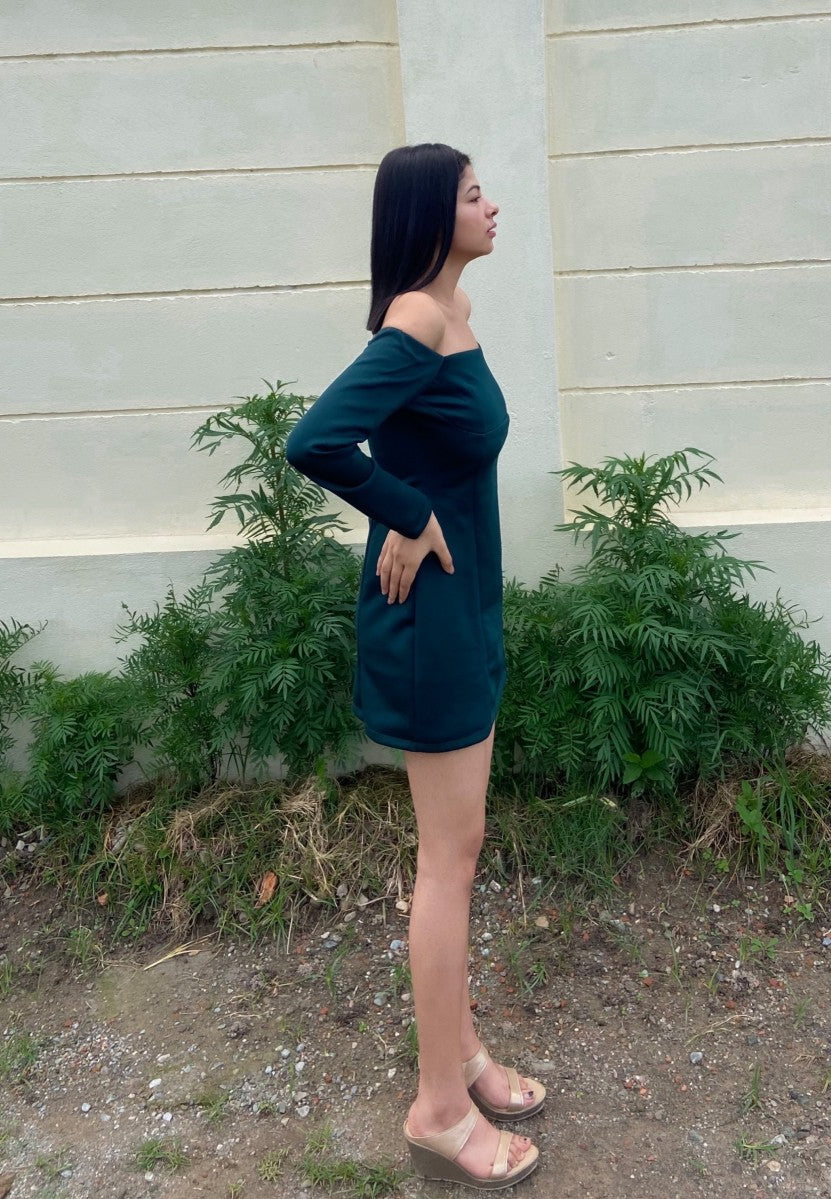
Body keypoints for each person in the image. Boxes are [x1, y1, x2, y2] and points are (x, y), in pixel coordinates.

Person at [286, 143, 543, 1189]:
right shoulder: (416, 320)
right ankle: (438, 1107)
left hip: (466, 605)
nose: (493, 205)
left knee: (461, 847)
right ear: (435, 215)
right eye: (476, 193)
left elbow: (412, 439)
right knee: (449, 857)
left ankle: (463, 1051)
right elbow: (316, 440)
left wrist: (411, 500)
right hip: (430, 621)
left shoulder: (453, 314)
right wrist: (407, 511)